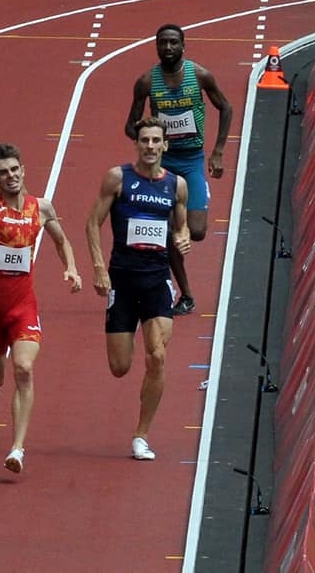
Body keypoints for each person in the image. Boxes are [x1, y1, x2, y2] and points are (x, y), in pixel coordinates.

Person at [0, 143, 82, 473]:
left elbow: (62, 239)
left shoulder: (43, 208)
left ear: (23, 169)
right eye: (3, 173)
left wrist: (71, 267)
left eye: (14, 170)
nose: (10, 176)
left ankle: (17, 448)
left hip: (23, 306)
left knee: (22, 368)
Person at [86, 117, 190, 461]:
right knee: (120, 366)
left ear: (164, 145)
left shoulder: (176, 186)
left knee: (158, 356)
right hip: (123, 279)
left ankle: (141, 436)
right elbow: (92, 223)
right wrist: (99, 268)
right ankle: (139, 426)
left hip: (157, 279)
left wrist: (184, 236)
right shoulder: (118, 179)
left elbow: (181, 226)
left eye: (155, 140)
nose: (149, 146)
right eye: (144, 140)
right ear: (138, 144)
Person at [124, 24, 232, 315]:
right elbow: (130, 125)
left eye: (173, 43)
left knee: (196, 232)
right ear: (157, 47)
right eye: (163, 43)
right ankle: (185, 294)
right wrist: (148, 139)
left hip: (192, 160)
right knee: (168, 233)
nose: (168, 48)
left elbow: (226, 107)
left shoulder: (200, 75)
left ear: (183, 46)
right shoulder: (146, 82)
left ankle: (186, 217)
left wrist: (218, 151)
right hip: (162, 165)